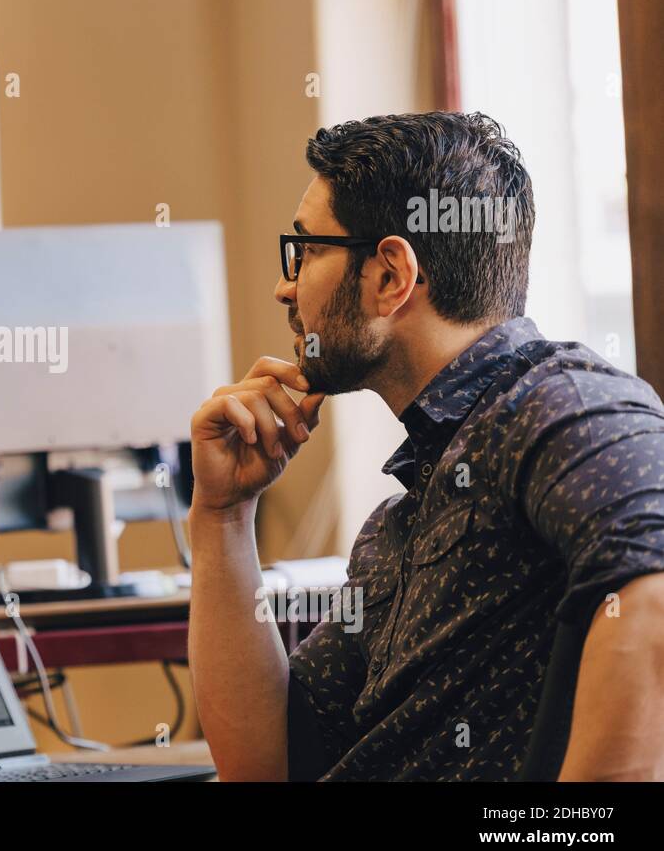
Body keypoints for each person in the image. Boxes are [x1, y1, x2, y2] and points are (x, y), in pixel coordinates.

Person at [188, 111, 664, 780]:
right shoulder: (405, 521)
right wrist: (221, 515)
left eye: (308, 250)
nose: (284, 286)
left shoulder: (560, 405)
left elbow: (655, 589)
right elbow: (267, 766)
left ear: (390, 276)